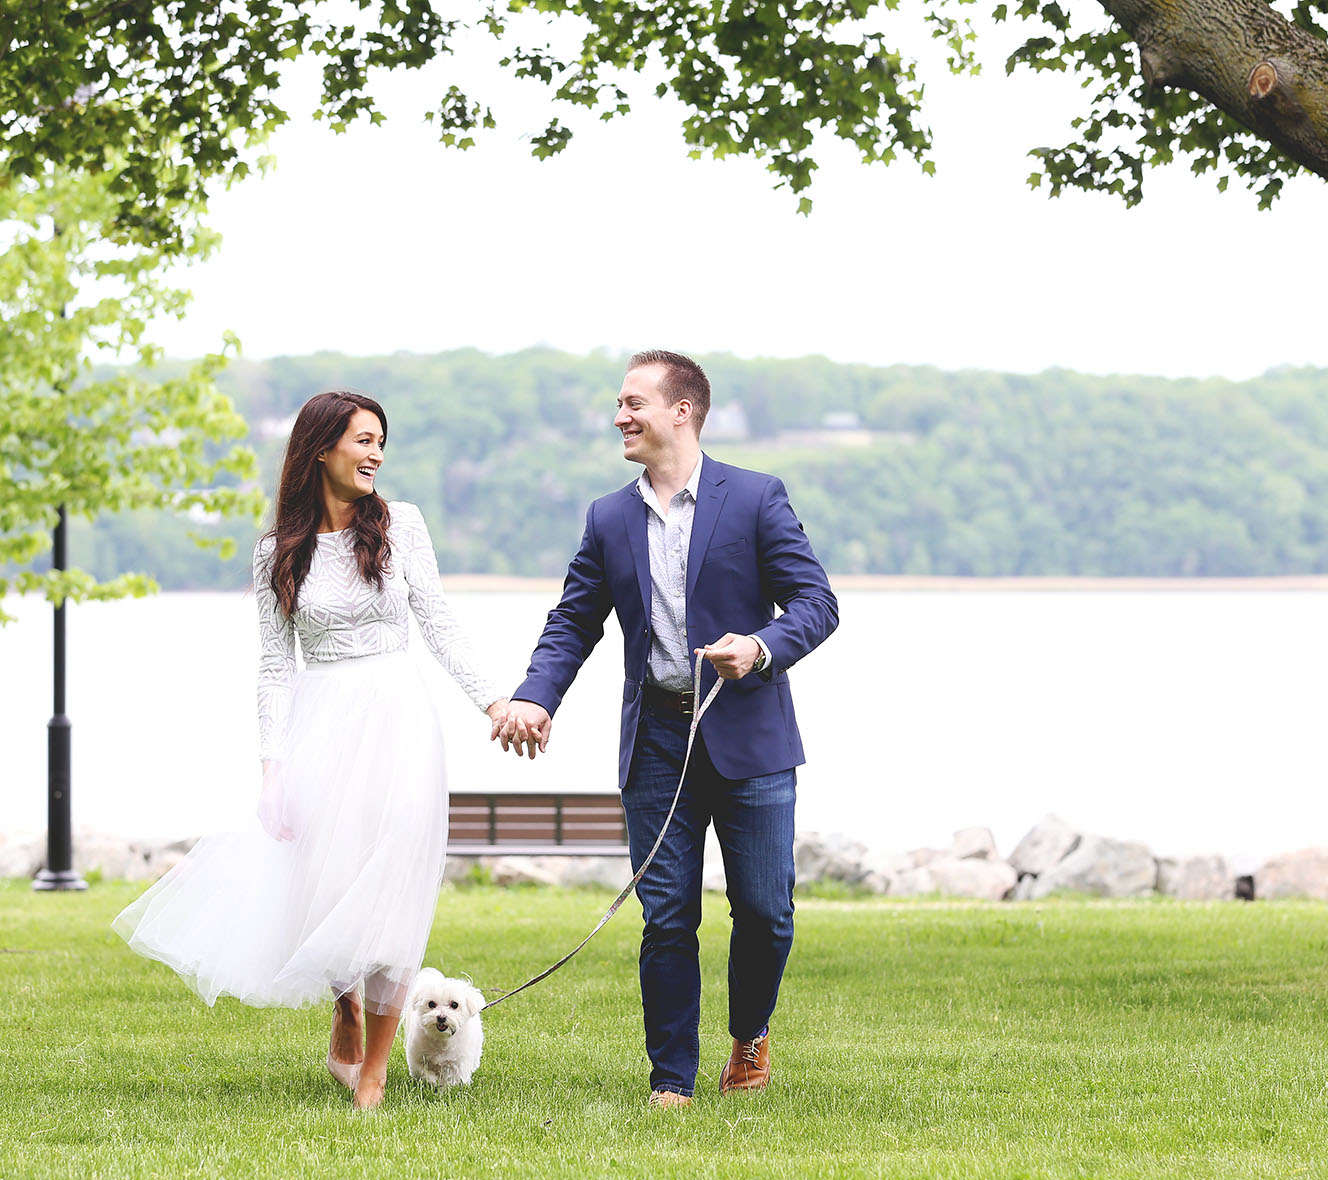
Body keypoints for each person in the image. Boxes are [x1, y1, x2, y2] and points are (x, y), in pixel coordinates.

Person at [114, 390, 508, 1110]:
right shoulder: (277, 552)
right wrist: (271, 768)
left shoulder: (404, 525)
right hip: (319, 724)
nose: (376, 454)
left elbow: (440, 622)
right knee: (328, 880)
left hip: (400, 720)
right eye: (363, 440)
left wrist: (495, 700)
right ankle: (346, 1005)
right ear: (322, 448)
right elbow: (273, 665)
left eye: (381, 441)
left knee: (393, 887)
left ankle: (377, 1073)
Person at [492, 350, 838, 1108]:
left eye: (633, 401)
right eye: (619, 403)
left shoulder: (754, 497)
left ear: (682, 410)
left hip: (751, 742)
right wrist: (536, 695)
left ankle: (750, 1035)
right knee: (668, 914)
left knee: (767, 912)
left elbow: (816, 601)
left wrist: (762, 646)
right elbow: (573, 621)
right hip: (655, 742)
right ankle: (671, 1078)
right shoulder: (608, 517)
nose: (620, 414)